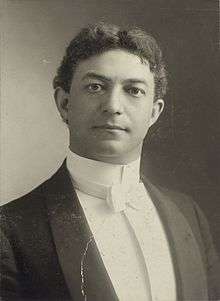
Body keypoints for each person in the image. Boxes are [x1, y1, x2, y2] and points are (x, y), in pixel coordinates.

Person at [0, 22, 219, 301]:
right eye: (95, 87)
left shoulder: (190, 216)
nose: (113, 105)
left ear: (154, 113)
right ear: (65, 103)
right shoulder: (9, 230)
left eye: (134, 90)